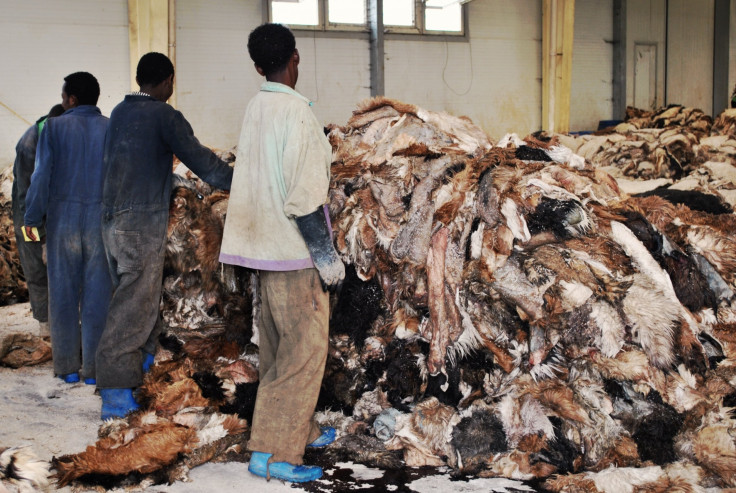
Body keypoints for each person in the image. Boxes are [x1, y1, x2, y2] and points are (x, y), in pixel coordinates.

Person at [219, 23, 345, 483]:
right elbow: (306, 200)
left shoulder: (257, 106)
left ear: (258, 66)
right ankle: (273, 455)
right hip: (293, 254)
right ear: (296, 58)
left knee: (276, 347)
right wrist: (326, 258)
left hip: (260, 252)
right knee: (304, 353)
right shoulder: (299, 116)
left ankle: (302, 428)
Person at [97, 52, 233, 420]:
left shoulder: (121, 113)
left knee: (134, 299)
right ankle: (113, 391)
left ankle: (139, 369)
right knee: (132, 308)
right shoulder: (165, 116)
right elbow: (200, 159)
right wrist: (239, 181)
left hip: (110, 222)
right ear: (167, 80)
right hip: (139, 226)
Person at [24, 73, 111, 386]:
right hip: (101, 220)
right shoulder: (111, 126)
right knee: (97, 295)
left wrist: (32, 219)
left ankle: (67, 367)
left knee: (62, 293)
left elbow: (41, 175)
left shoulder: (54, 127)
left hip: (63, 219)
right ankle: (94, 371)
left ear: (71, 99)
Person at [12, 103, 64, 335]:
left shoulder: (59, 136)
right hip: (27, 213)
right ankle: (45, 324)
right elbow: (27, 194)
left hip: (55, 208)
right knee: (36, 265)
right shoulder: (29, 145)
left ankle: (64, 320)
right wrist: (41, 238)